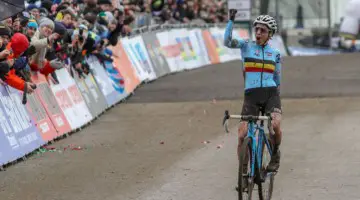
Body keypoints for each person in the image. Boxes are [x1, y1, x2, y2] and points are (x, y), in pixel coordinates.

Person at [224, 9, 282, 173]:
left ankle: (275, 154)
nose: (258, 32)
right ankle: (243, 171)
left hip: (271, 94)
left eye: (262, 30)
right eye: (256, 29)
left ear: (269, 34)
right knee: (242, 134)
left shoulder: (275, 54)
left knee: (276, 125)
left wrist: (277, 103)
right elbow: (227, 42)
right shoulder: (246, 45)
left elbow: (277, 79)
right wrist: (231, 21)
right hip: (251, 95)